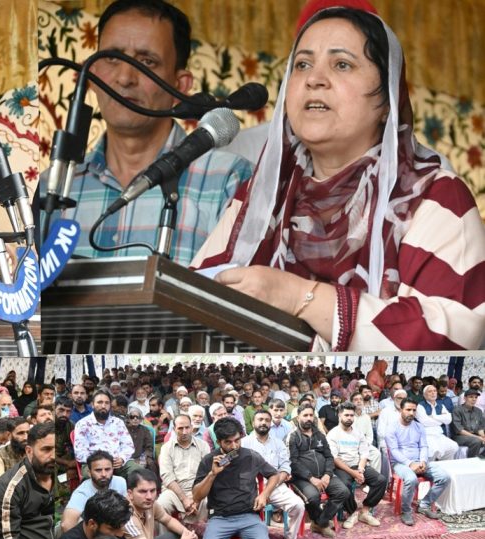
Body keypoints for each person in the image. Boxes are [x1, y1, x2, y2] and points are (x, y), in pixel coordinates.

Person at [191, 4, 485, 350]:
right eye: (302, 65)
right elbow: (193, 297)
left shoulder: (434, 195)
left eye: (342, 64)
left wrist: (298, 296)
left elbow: (452, 336)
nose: (314, 79)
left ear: (387, 101)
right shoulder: (262, 194)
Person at [41, 0, 252, 267]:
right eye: (112, 58)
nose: (125, 78)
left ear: (180, 85)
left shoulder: (229, 180)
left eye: (147, 62)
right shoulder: (53, 187)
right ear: (91, 75)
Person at [193, 418, 280, 539]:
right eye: (228, 442)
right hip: (220, 517)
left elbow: (274, 475)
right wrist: (212, 474)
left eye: (237, 440)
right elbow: (197, 496)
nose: (234, 446)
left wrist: (264, 494)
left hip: (248, 515)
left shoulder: (251, 456)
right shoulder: (209, 460)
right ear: (219, 442)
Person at [240, 410, 306, 539]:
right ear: (253, 422)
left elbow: (285, 467)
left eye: (267, 420)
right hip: (250, 487)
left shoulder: (278, 443)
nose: (263, 422)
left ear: (271, 423)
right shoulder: (243, 443)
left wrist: (270, 488)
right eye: (260, 419)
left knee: (298, 505)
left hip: (276, 485)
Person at [288, 405, 350, 538]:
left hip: (324, 475)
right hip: (303, 478)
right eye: (305, 415)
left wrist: (327, 474)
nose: (308, 418)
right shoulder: (294, 437)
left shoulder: (320, 435)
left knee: (343, 492)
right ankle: (322, 523)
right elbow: (293, 462)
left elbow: (329, 457)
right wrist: (311, 478)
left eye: (311, 415)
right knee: (312, 497)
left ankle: (320, 522)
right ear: (298, 418)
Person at [386, 399, 449, 526]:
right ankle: (406, 511)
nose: (411, 413)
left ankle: (424, 505)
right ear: (400, 410)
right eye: (408, 409)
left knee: (444, 477)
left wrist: (423, 461)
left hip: (419, 462)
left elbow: (424, 446)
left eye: (414, 410)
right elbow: (394, 451)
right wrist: (410, 464)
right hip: (400, 463)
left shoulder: (419, 426)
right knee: (411, 479)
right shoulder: (391, 427)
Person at [326, 402, 386, 529]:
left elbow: (364, 453)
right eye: (346, 415)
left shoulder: (358, 433)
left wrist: (360, 469)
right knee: (344, 486)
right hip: (341, 467)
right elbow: (334, 459)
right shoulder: (333, 434)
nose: (349, 418)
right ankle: (352, 513)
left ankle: (364, 511)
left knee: (381, 480)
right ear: (339, 415)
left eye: (351, 415)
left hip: (358, 466)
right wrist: (354, 473)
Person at [157, 414, 210, 522]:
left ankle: (199, 532)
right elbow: (167, 476)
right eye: (180, 428)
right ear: (174, 429)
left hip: (198, 489)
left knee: (208, 502)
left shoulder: (203, 446)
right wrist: (184, 499)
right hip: (173, 491)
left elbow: (207, 473)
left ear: (191, 427)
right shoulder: (166, 448)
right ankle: (168, 534)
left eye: (187, 427)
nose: (184, 432)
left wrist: (196, 499)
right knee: (161, 504)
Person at [74, 391, 138, 479]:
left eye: (107, 403)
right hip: (94, 463)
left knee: (138, 472)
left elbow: (128, 446)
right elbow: (80, 453)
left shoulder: (118, 422)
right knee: (89, 476)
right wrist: (101, 462)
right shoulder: (82, 424)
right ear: (92, 405)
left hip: (117, 462)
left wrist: (122, 458)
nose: (103, 406)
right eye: (100, 402)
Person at [61, 450, 128, 533]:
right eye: (98, 470)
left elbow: (127, 508)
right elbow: (66, 525)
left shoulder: (120, 482)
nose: (104, 474)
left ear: (113, 469)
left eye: (107, 469)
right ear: (89, 473)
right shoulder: (82, 492)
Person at [416, 385, 459, 461]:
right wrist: (441, 419)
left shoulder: (441, 405)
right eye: (430, 391)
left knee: (454, 446)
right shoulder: (420, 406)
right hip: (427, 435)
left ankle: (444, 465)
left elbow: (448, 419)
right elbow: (425, 422)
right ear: (424, 395)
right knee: (434, 450)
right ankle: (429, 466)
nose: (433, 393)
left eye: (434, 391)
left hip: (439, 434)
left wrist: (433, 416)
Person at [0, 418, 30, 486]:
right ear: (9, 435)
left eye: (28, 433)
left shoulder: (33, 453)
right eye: (20, 433)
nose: (26, 437)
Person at [451, 389, 485, 458]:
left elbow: (480, 428)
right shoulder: (457, 410)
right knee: (476, 441)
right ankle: (472, 461)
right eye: (471, 397)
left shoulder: (478, 411)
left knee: (480, 439)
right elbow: (459, 430)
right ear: (465, 398)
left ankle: (482, 458)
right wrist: (477, 437)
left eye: (475, 397)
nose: (474, 399)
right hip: (460, 436)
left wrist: (483, 436)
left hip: (475, 434)